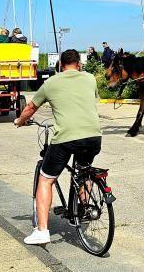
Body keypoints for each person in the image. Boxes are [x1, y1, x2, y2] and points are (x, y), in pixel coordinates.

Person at [14, 49, 102, 245]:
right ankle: (84, 208)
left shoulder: (51, 83)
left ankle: (42, 231)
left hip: (66, 138)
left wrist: (20, 121)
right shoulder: (90, 79)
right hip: (94, 136)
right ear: (79, 64)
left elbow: (30, 108)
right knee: (83, 170)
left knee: (46, 180)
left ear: (60, 65)